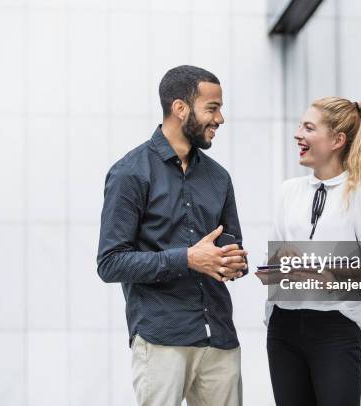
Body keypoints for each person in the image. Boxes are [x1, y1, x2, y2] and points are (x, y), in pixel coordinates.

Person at [96, 65, 248, 406]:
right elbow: (110, 263)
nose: (220, 118)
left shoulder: (219, 178)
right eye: (212, 108)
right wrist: (188, 259)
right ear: (180, 109)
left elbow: (231, 245)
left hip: (220, 340)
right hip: (162, 339)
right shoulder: (129, 173)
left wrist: (232, 261)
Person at [266, 97, 361, 405]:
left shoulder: (360, 195)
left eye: (308, 127)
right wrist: (279, 265)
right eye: (299, 125)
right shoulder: (287, 191)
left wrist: (327, 273)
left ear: (337, 140)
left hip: (335, 329)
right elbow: (271, 268)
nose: (297, 134)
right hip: (284, 327)